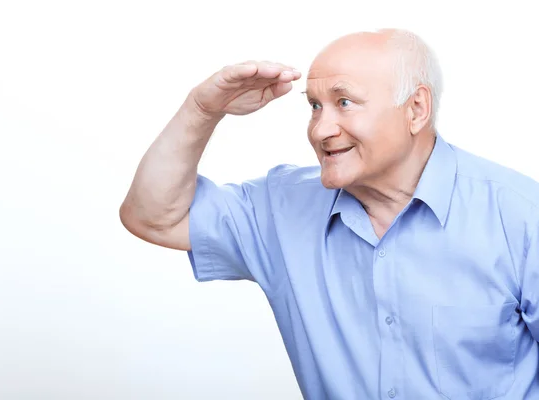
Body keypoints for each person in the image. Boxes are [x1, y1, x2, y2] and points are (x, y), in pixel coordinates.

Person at [119, 28, 539, 399]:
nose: (320, 130)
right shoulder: (282, 207)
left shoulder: (519, 214)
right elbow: (153, 216)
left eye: (344, 102)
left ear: (416, 109)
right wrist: (201, 110)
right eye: (315, 106)